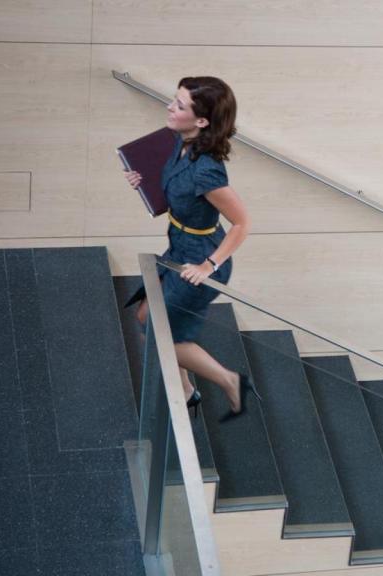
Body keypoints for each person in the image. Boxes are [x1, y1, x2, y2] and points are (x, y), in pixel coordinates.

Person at [123, 76, 255, 422]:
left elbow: (242, 223)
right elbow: (178, 192)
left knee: (156, 329)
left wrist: (209, 265)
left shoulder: (208, 171)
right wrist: (145, 183)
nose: (170, 107)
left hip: (201, 258)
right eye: (174, 100)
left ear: (202, 122)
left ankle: (230, 381)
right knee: (144, 313)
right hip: (179, 245)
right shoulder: (179, 142)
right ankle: (185, 389)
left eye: (180, 105)